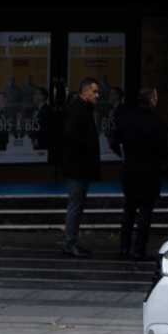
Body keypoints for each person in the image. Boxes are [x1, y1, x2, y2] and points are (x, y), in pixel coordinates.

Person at [112, 88, 166, 259]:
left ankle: (124, 247)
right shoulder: (157, 121)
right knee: (145, 212)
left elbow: (114, 140)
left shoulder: (127, 119)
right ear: (152, 100)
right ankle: (139, 249)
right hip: (150, 172)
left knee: (129, 210)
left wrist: (124, 155)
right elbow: (164, 149)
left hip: (130, 170)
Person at [59, 78, 101, 256]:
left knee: (77, 205)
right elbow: (72, 138)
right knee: (75, 205)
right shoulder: (77, 110)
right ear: (85, 92)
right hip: (77, 167)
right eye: (94, 91)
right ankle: (70, 243)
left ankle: (72, 241)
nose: (97, 95)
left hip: (80, 166)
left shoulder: (83, 109)